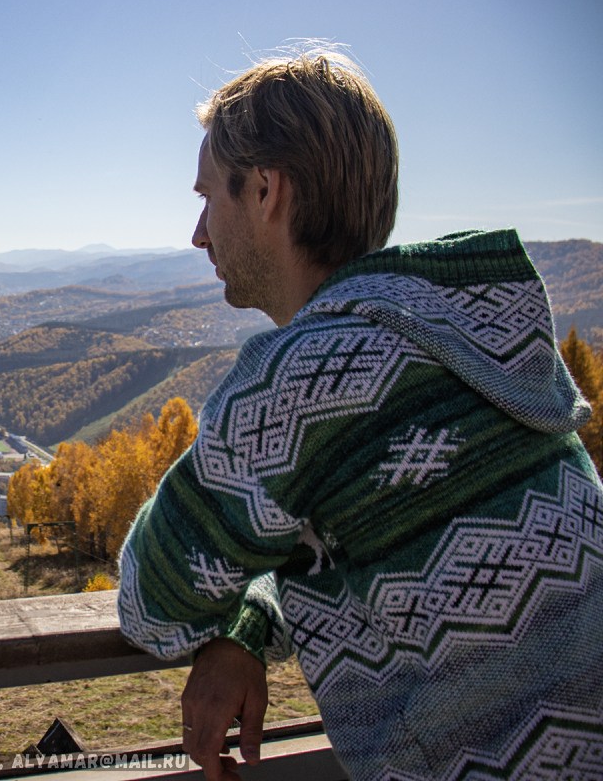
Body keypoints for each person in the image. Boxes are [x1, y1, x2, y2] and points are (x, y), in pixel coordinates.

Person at [117, 47, 603, 781]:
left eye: (208, 195)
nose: (198, 232)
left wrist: (238, 621)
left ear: (265, 192)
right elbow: (386, 550)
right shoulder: (474, 339)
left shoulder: (303, 379)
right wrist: (253, 621)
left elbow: (152, 604)